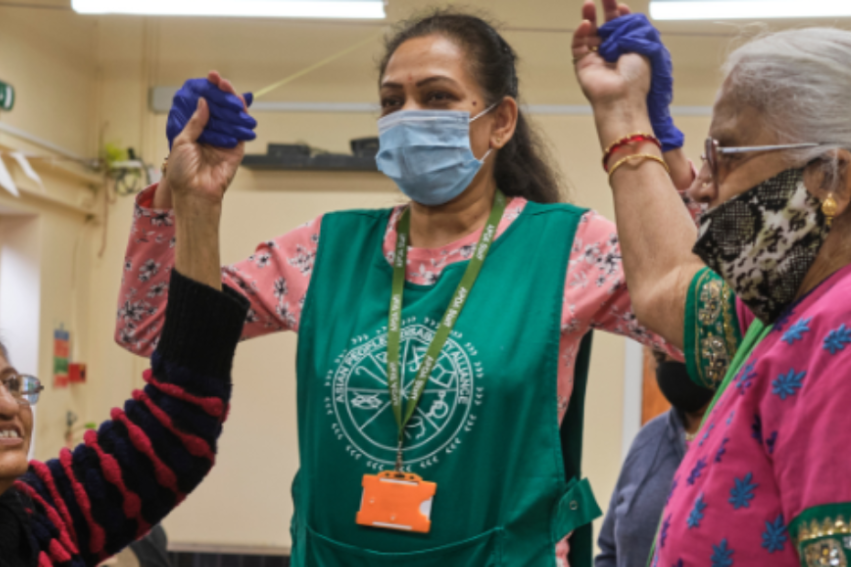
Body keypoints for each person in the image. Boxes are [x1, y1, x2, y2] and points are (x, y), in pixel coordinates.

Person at [114, 11, 696, 566]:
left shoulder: (567, 248)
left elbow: (709, 331)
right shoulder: (324, 250)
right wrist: (186, 196)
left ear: (501, 121)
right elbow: (152, 328)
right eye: (393, 101)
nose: (409, 114)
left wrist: (659, 149)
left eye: (437, 96)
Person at [575, 0, 851, 564]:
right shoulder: (792, 309)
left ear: (833, 179)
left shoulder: (840, 325)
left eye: (723, 156)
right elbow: (668, 286)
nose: (701, 189)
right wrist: (626, 116)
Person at [0, 103, 249, 567]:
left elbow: (176, 428)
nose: (10, 406)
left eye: (12, 383)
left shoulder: (40, 512)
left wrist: (197, 204)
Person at [595, 355, 713, 567]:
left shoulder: (747, 440)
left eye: (677, 349)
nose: (669, 361)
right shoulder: (648, 439)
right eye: (660, 354)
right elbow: (609, 551)